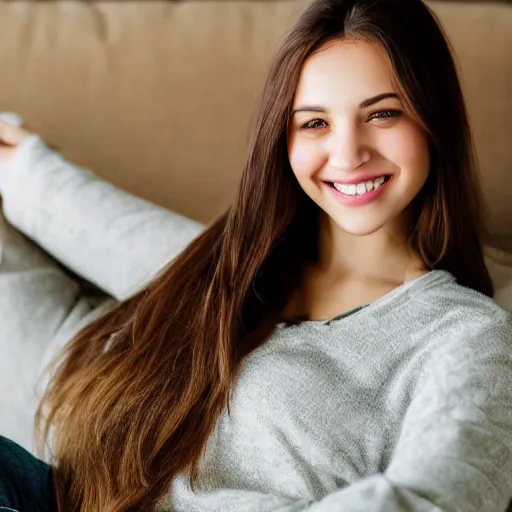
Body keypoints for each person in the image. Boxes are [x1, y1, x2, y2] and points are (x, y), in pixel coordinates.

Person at [1, 0, 512, 510]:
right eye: (314, 123)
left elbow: (440, 498)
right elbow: (114, 232)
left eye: (383, 114)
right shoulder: (234, 262)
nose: (349, 154)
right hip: (57, 486)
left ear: (433, 119)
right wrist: (25, 168)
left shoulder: (468, 337)